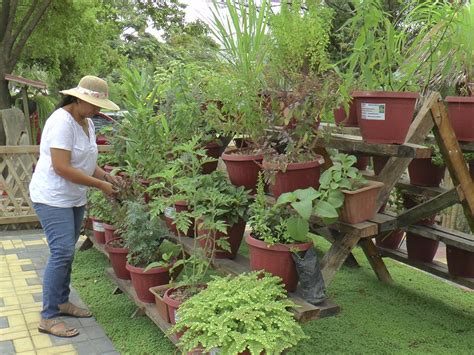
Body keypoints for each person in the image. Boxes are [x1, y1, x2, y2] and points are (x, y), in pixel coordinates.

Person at [29, 75, 121, 338]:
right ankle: (48, 316)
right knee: (61, 252)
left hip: (73, 197)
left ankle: (62, 301)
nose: (97, 110)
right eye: (93, 104)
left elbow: (86, 162)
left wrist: (107, 176)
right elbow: (62, 167)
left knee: (67, 253)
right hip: (52, 197)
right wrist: (100, 186)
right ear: (78, 99)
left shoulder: (87, 123)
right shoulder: (61, 122)